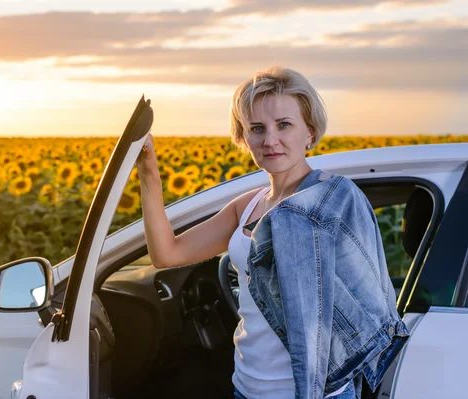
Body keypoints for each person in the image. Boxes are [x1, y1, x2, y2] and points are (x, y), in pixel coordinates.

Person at [136, 67, 408, 399]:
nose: (270, 140)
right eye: (257, 129)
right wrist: (149, 174)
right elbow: (168, 253)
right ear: (244, 137)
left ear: (309, 132)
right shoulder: (247, 206)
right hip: (247, 385)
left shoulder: (335, 200)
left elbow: (370, 308)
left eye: (284, 125)